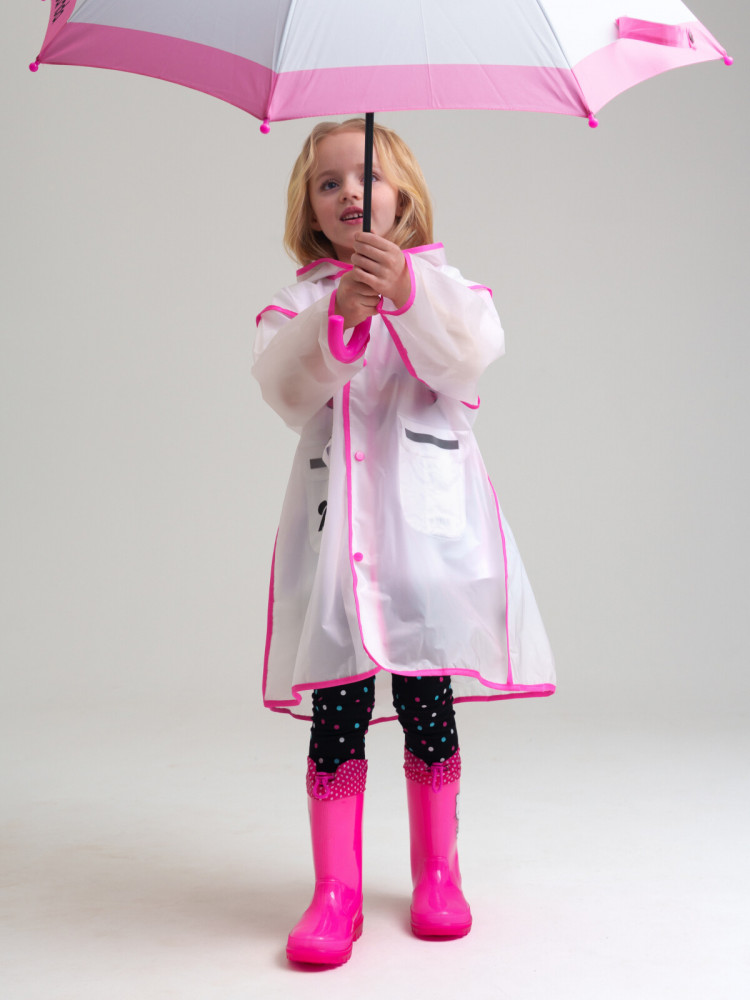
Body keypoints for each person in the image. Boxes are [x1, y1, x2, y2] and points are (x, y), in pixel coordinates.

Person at [252, 118, 555, 966]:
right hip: (340, 551)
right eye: (329, 184)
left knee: (428, 703)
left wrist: (407, 294)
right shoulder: (299, 306)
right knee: (338, 712)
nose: (350, 192)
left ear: (404, 197)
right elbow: (283, 386)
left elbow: (471, 355)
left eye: (367, 177)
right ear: (309, 210)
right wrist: (338, 320)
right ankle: (335, 892)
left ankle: (439, 873)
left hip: (427, 546)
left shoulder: (446, 288)